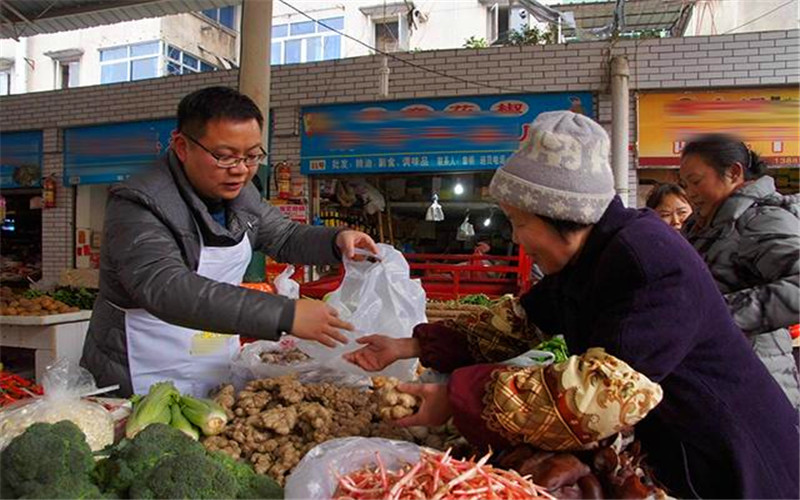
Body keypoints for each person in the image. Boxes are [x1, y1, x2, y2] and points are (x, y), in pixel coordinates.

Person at [345, 111, 799, 498]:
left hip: (735, 462)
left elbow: (597, 394)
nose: (518, 239)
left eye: (521, 223)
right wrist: (408, 346)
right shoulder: (591, 256)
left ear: (566, 217)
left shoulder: (648, 262)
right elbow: (519, 322)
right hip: (677, 447)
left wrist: (455, 398)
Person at [81, 86, 379, 398]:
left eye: (251, 156)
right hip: (140, 369)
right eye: (224, 157)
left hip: (212, 356)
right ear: (182, 146)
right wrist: (283, 314)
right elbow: (165, 286)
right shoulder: (139, 203)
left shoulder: (242, 195)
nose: (240, 170)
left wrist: (337, 240)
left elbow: (285, 235)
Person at [681, 134, 800, 406]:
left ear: (734, 172)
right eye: (685, 184)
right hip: (718, 375)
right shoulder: (707, 224)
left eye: (696, 181)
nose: (690, 193)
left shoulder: (759, 220)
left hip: (757, 380)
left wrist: (719, 315)